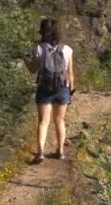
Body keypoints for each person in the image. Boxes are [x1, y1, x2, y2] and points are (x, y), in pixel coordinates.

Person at [26, 18, 74, 164]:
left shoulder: (39, 48)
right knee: (60, 120)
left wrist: (26, 60)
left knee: (43, 122)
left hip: (44, 89)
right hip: (62, 89)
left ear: (42, 31)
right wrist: (70, 91)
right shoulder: (67, 49)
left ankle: (40, 153)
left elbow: (32, 69)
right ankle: (60, 151)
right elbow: (70, 74)